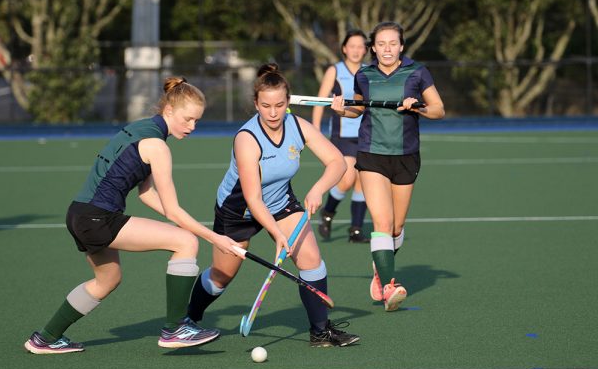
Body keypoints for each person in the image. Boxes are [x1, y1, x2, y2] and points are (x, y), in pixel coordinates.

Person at [24, 77, 244, 354]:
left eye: (197, 121)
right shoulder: (158, 147)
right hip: (99, 218)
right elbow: (173, 209)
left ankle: (45, 338)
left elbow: (146, 193)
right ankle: (175, 329)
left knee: (107, 280)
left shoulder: (142, 127)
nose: (193, 127)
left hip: (79, 213)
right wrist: (216, 238)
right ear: (169, 111)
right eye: (188, 119)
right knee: (186, 242)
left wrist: (176, 219)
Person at [186, 63, 360, 347]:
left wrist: (317, 189)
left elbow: (337, 161)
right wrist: (277, 235)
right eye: (266, 105)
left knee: (312, 261)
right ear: (256, 103)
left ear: (288, 102)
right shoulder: (247, 139)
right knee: (221, 278)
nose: (273, 112)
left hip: (281, 202)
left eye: (280, 104)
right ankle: (189, 318)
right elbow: (253, 199)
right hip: (238, 211)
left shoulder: (297, 126)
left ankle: (320, 331)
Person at [330, 22, 445, 312]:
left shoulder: (417, 72)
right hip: (371, 154)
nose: (387, 49)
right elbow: (359, 107)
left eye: (392, 43)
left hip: (406, 155)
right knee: (381, 223)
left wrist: (416, 106)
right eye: (381, 44)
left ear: (402, 46)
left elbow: (439, 110)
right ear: (373, 48)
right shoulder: (364, 74)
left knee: (395, 227)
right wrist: (342, 107)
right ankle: (388, 284)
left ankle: (379, 268)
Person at [312, 29, 370, 243]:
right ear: (345, 49)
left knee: (363, 180)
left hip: (365, 134)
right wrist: (315, 130)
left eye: (360, 46)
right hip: (342, 134)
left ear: (365, 50)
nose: (356, 50)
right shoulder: (334, 70)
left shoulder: (369, 71)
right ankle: (328, 212)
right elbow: (320, 100)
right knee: (346, 178)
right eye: (352, 46)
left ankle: (355, 230)